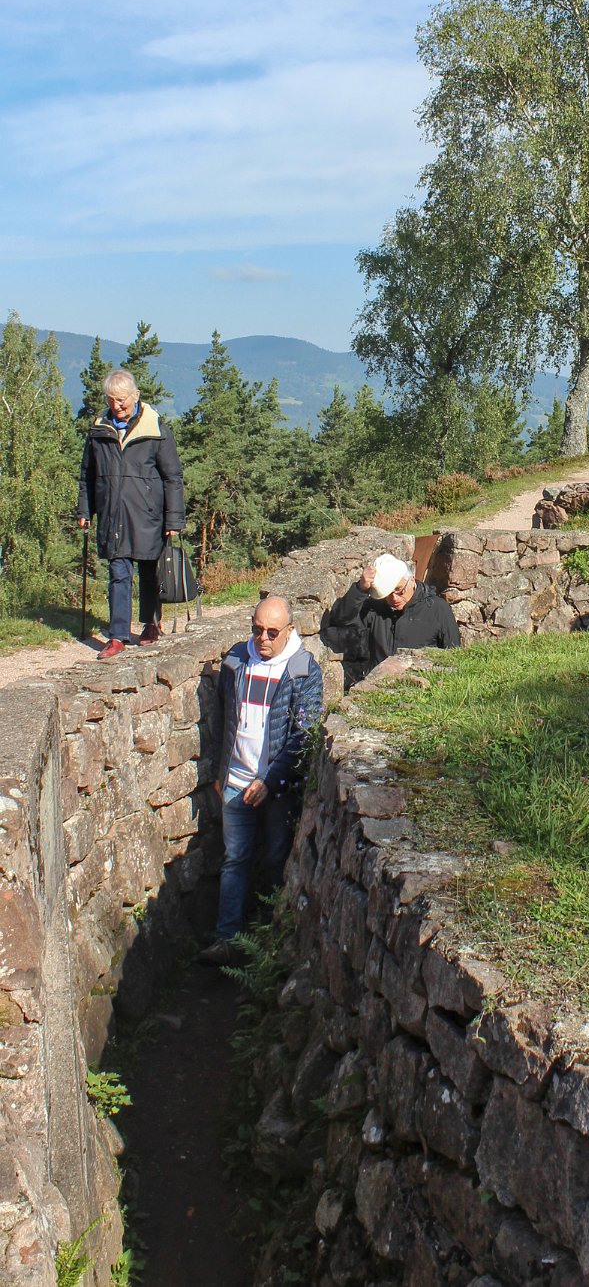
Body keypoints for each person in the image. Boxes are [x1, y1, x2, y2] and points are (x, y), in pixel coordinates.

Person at [200, 596, 323, 967]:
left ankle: (267, 944)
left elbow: (302, 735)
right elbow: (223, 719)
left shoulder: (303, 671)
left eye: (272, 632)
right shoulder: (236, 661)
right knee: (235, 859)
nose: (263, 638)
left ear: (290, 630)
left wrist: (269, 780)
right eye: (257, 630)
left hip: (277, 788)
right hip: (236, 780)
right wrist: (222, 772)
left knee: (273, 861)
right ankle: (228, 940)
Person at [78, 368, 185, 661]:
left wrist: (174, 519)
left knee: (149, 573)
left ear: (135, 396)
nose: (117, 405)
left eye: (122, 399)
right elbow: (88, 475)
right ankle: (117, 636)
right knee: (118, 574)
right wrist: (85, 509)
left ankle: (150, 624)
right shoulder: (99, 430)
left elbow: (173, 477)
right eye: (111, 399)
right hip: (113, 516)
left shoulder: (156, 430)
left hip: (148, 515)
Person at [328, 553, 461, 683]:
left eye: (399, 590)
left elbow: (454, 654)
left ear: (412, 580)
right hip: (377, 686)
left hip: (421, 686)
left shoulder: (437, 608)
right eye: (388, 594)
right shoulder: (375, 607)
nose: (394, 598)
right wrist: (360, 589)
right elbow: (341, 620)